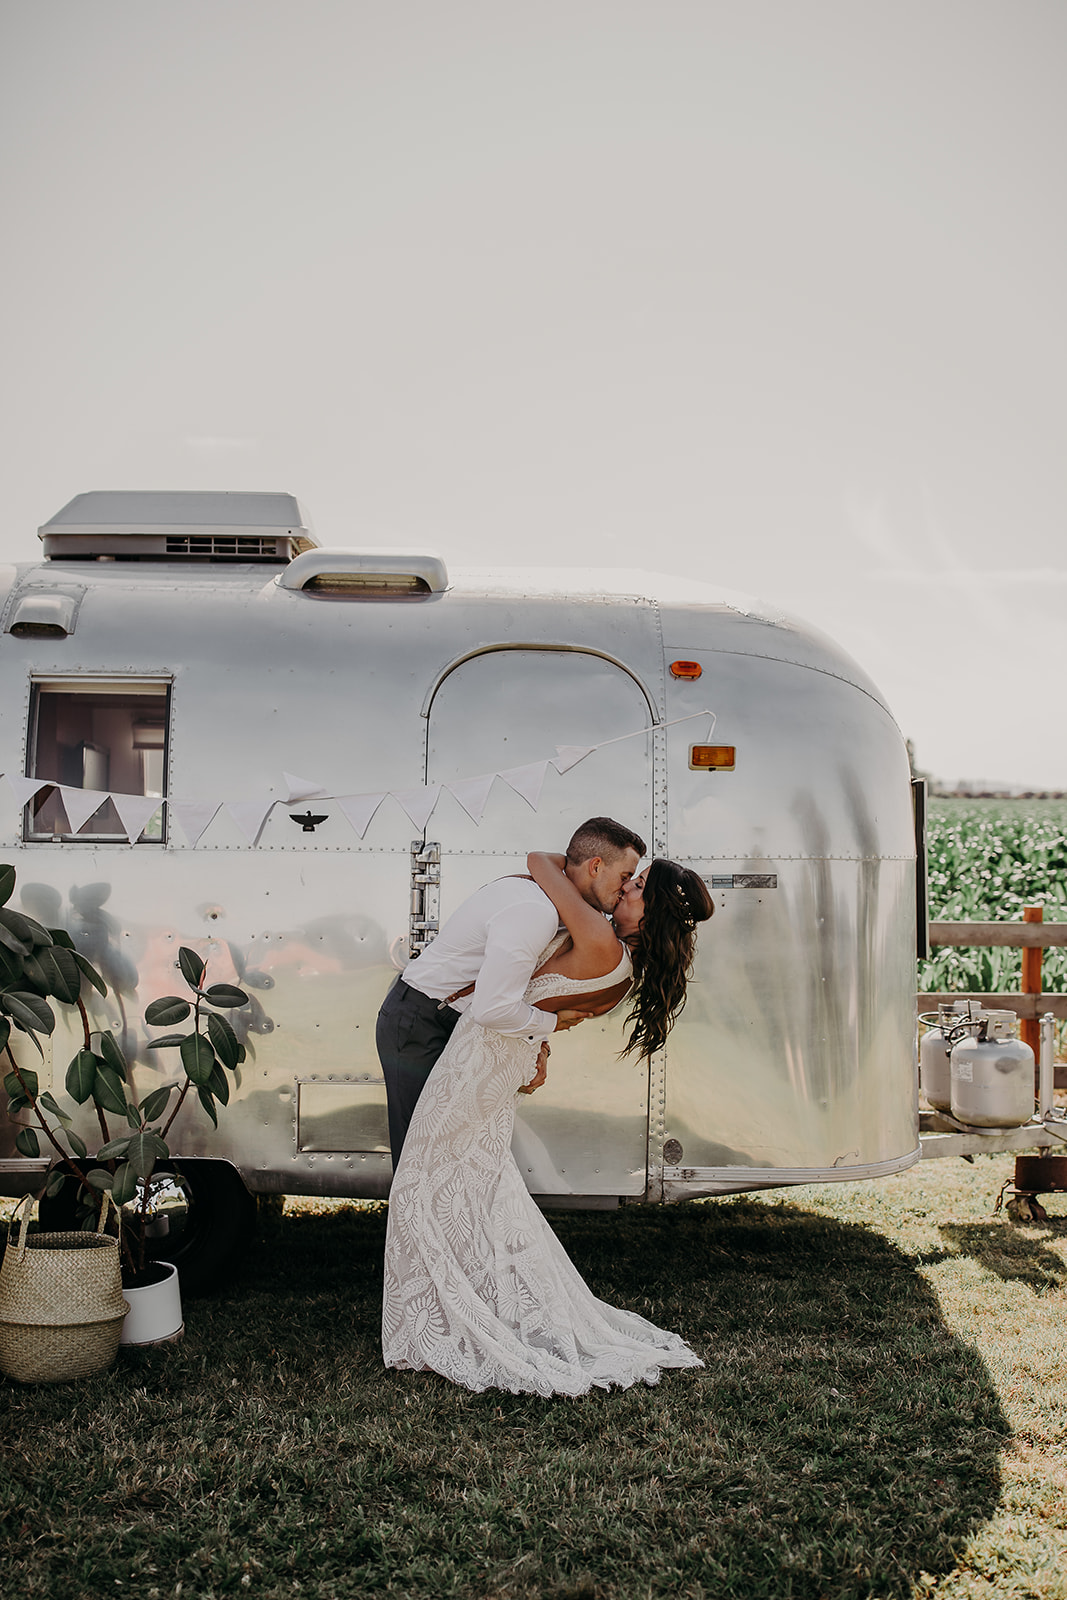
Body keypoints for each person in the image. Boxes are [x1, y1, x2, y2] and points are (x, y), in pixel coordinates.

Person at [381, 846, 714, 1397]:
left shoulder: (601, 940)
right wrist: (537, 1045)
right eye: (627, 880)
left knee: (427, 1182)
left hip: (476, 1061)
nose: (624, 890)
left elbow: (541, 863)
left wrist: (593, 862)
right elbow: (552, 1012)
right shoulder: (622, 971)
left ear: (648, 915)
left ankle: (448, 1314)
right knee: (472, 1184)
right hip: (489, 1058)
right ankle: (469, 1302)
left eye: (635, 887)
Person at [376, 817, 645, 1170]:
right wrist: (551, 1023)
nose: (625, 888)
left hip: (448, 1023)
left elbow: (524, 987)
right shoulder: (535, 911)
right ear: (596, 866)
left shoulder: (560, 909)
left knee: (452, 1161)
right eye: (626, 877)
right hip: (420, 1022)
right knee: (422, 1162)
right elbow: (493, 1007)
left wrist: (538, 1045)